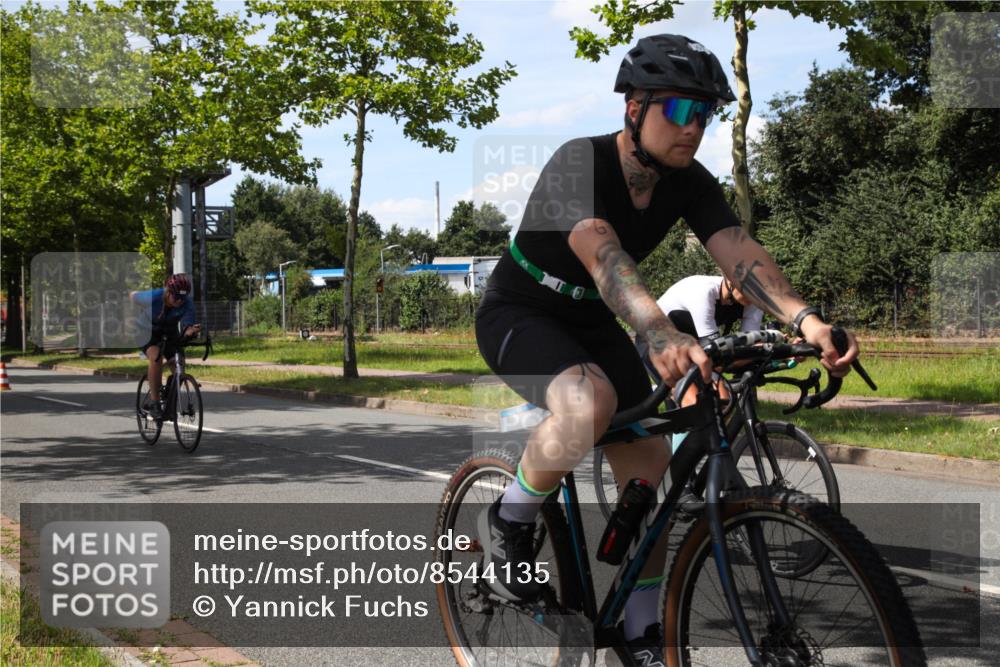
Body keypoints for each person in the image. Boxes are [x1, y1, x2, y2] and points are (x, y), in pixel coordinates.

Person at [474, 33, 858, 664]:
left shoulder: (687, 180)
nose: (693, 128)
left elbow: (739, 250)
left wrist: (807, 319)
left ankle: (641, 629)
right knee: (587, 402)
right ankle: (510, 522)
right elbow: (604, 255)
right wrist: (658, 331)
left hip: (594, 321)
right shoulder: (581, 162)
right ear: (634, 107)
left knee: (651, 473)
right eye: (679, 110)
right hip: (523, 310)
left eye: (705, 114)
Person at [130, 273, 201, 419]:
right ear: (168, 292)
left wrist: (191, 331)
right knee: (156, 357)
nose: (180, 301)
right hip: (145, 331)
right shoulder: (155, 296)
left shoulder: (187, 303)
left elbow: (188, 325)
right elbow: (133, 295)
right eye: (176, 297)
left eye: (183, 297)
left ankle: (170, 397)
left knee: (179, 363)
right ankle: (155, 403)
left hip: (169, 332)